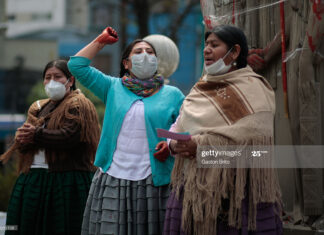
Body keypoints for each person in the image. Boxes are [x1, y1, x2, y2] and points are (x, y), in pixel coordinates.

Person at [162, 25, 283, 235]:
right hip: (194, 191)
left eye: (214, 45)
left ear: (235, 51)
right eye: (206, 44)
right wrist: (174, 144)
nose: (206, 49)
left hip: (238, 195)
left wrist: (200, 146)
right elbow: (179, 125)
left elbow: (255, 146)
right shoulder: (200, 89)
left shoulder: (255, 89)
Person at [67, 27, 184, 235]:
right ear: (126, 63)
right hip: (113, 175)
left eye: (150, 52)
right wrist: (100, 41)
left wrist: (168, 144)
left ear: (157, 61)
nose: (145, 56)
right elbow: (76, 65)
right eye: (138, 52)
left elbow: (185, 131)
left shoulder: (173, 94)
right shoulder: (112, 87)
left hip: (154, 179)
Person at [0, 59, 100, 235]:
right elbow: (25, 144)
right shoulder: (38, 107)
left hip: (66, 180)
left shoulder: (79, 104)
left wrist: (35, 134)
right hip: (33, 179)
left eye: (57, 76)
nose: (52, 81)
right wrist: (22, 139)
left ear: (70, 81)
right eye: (48, 77)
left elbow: (69, 136)